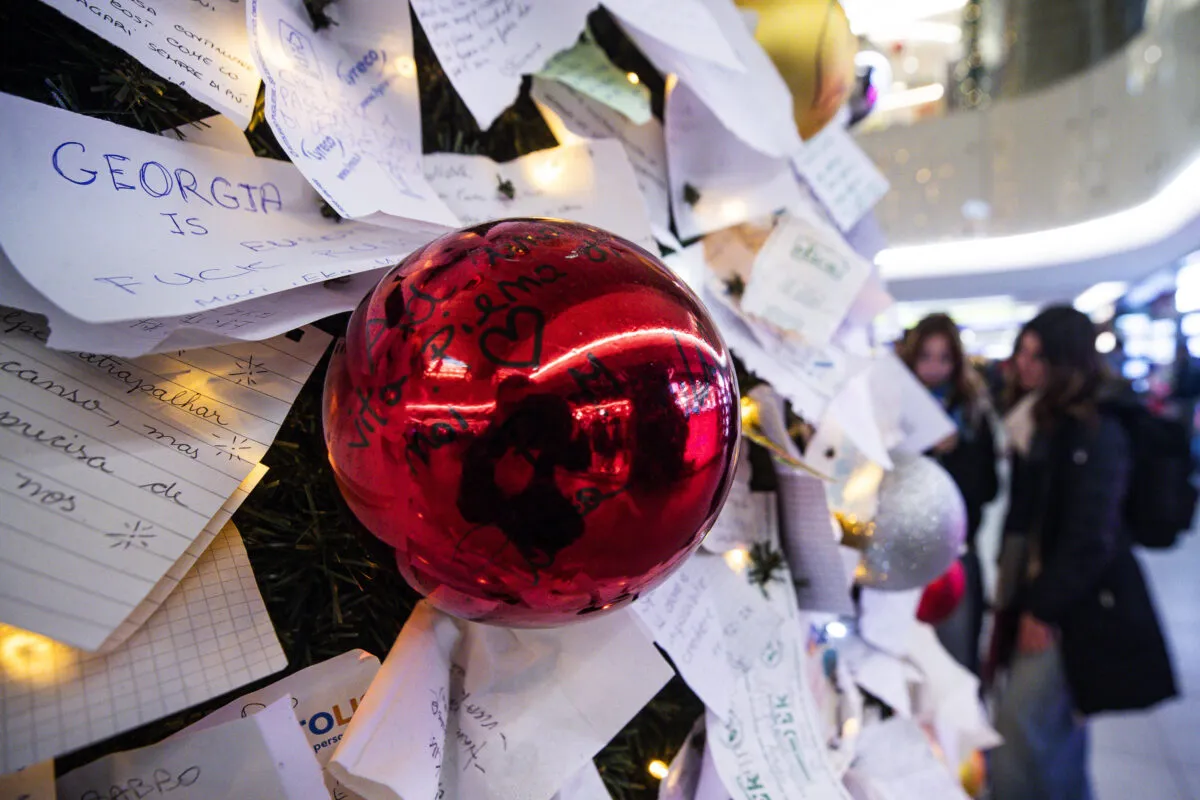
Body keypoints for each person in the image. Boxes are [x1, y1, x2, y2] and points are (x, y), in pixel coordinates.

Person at [989, 306, 1176, 800]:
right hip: (1049, 593)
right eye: (1022, 352)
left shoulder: (1094, 428)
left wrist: (1043, 607)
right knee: (1052, 733)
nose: (1025, 365)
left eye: (1038, 355)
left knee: (1019, 729)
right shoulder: (1039, 419)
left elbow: (1090, 534)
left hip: (1075, 604)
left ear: (1064, 360)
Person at [900, 313, 999, 673]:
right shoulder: (893, 409)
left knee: (956, 660)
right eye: (926, 356)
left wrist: (955, 452)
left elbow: (988, 489)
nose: (934, 368)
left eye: (944, 358)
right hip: (904, 549)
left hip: (955, 552)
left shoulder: (973, 412)